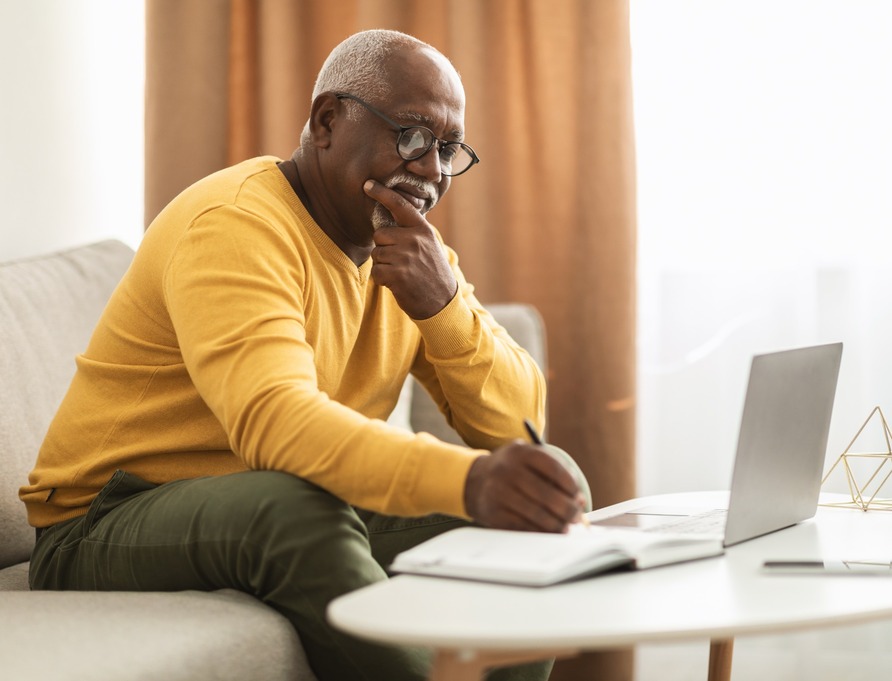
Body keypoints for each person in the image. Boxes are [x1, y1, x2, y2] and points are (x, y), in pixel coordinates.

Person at [20, 29, 589, 681]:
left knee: (549, 489)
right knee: (291, 507)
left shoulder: (409, 252)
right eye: (412, 136)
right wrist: (468, 481)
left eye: (449, 149)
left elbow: (518, 422)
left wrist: (445, 305)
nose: (433, 170)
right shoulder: (236, 224)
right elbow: (277, 424)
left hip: (269, 498)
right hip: (100, 521)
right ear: (326, 122)